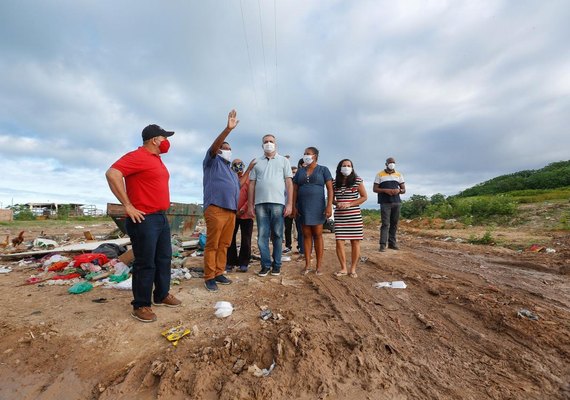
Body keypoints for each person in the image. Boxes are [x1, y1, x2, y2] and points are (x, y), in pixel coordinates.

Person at [106, 124, 182, 323]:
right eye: (164, 138)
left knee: (164, 258)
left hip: (160, 217)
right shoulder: (137, 156)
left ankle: (161, 295)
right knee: (145, 263)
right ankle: (141, 305)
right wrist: (127, 206)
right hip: (143, 219)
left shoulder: (156, 159)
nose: (167, 142)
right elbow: (112, 174)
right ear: (154, 140)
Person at [202, 110, 240, 291]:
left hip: (231, 211)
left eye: (229, 148)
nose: (227, 150)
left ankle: (219, 272)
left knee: (225, 244)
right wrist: (227, 129)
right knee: (212, 244)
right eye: (224, 148)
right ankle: (209, 276)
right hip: (215, 208)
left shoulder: (231, 171)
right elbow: (213, 147)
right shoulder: (212, 162)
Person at [247, 134, 293, 277]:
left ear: (276, 144)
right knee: (262, 236)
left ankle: (277, 265)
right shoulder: (256, 162)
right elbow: (252, 185)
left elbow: (289, 183)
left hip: (278, 204)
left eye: (271, 141)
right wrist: (250, 205)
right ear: (262, 145)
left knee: (278, 235)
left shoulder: (284, 161)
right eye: (266, 142)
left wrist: (290, 203)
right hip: (260, 204)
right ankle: (265, 265)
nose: (268, 143)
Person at [292, 147, 333, 275]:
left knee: (318, 234)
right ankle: (308, 264)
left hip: (318, 206)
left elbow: (330, 189)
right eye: (304, 154)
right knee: (306, 235)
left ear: (315, 155)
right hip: (303, 206)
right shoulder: (300, 172)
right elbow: (295, 190)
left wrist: (329, 205)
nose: (305, 156)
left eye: (308, 154)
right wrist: (293, 206)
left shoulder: (323, 170)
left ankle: (319, 266)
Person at [332, 159, 368, 278]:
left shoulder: (357, 180)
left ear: (352, 168)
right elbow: (331, 199)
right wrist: (337, 204)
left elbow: (364, 197)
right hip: (340, 217)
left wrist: (349, 204)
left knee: (355, 242)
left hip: (354, 216)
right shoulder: (334, 182)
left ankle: (352, 269)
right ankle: (343, 268)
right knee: (339, 241)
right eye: (344, 165)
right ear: (339, 168)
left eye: (349, 165)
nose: (346, 167)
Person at [226, 158, 256, 273]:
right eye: (235, 164)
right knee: (230, 239)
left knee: (246, 239)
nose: (238, 166)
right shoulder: (230, 180)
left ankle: (244, 263)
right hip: (232, 214)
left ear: (243, 166)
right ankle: (230, 262)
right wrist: (234, 210)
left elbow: (251, 196)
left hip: (246, 214)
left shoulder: (249, 179)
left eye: (240, 164)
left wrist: (244, 209)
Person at [373, 157, 406, 252]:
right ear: (386, 164)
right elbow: (375, 189)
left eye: (393, 162)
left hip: (397, 202)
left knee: (394, 224)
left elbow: (404, 190)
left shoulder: (399, 175)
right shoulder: (379, 174)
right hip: (385, 202)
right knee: (385, 224)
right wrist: (385, 190)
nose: (392, 164)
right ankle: (382, 245)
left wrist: (399, 190)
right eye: (390, 162)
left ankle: (392, 243)